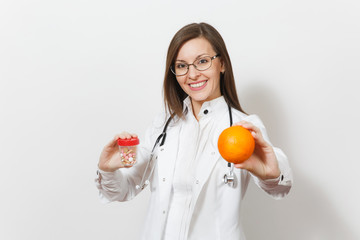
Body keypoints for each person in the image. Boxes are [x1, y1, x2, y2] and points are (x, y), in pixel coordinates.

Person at [95, 22, 293, 240]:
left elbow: (279, 187)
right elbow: (123, 189)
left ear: (222, 64)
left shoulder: (243, 126)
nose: (192, 74)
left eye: (202, 61)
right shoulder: (164, 125)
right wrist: (108, 170)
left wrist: (272, 173)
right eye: (182, 66)